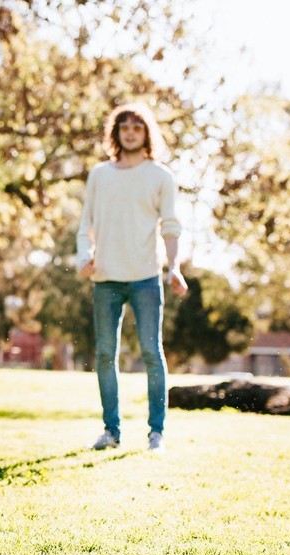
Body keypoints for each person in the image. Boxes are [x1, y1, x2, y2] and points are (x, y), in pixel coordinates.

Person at [76, 102, 188, 453]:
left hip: (145, 277)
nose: (130, 132)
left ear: (146, 134)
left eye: (137, 128)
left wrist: (175, 268)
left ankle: (157, 433)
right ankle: (111, 432)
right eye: (124, 127)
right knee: (106, 354)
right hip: (106, 278)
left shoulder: (160, 177)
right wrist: (85, 257)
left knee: (152, 353)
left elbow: (170, 226)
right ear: (116, 133)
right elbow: (86, 227)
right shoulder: (99, 175)